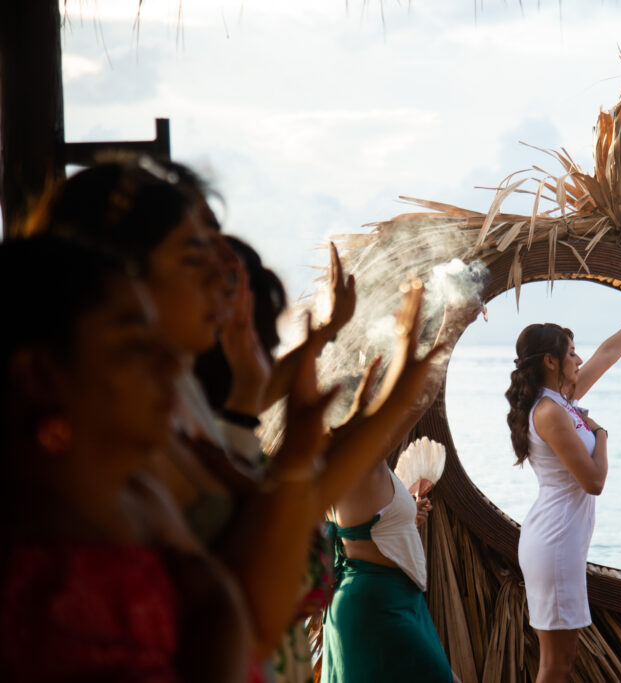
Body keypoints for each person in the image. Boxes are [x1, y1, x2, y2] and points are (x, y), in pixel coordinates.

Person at [23, 156, 455, 662]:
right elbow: (252, 605)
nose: (220, 271)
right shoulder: (82, 514)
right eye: (195, 252)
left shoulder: (159, 465)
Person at [0, 236, 250, 682]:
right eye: (136, 345)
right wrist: (221, 608)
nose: (172, 365)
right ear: (39, 375)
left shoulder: (140, 501)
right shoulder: (36, 595)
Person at [505, 263, 621, 683]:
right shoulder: (550, 412)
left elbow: (606, 356)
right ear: (551, 361)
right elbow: (593, 482)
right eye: (571, 351)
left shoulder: (560, 400)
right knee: (555, 665)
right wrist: (602, 433)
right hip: (554, 542)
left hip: (562, 541)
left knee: (565, 660)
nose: (579, 357)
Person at [321, 297, 479, 683]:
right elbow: (417, 401)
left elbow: (365, 529)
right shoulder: (359, 456)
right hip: (377, 607)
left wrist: (403, 518)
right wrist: (451, 326)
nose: (383, 405)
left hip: (396, 601)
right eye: (375, 400)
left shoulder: (353, 460)